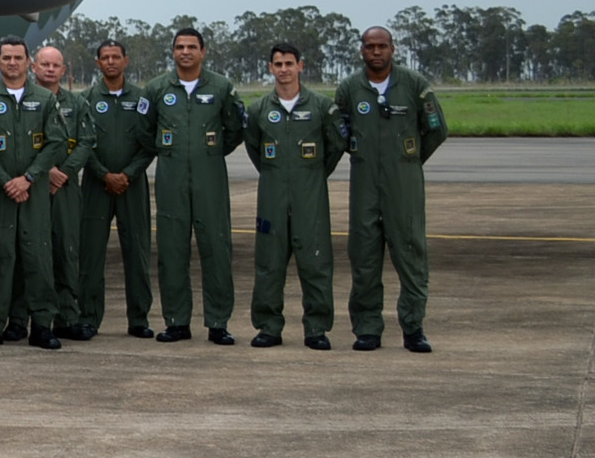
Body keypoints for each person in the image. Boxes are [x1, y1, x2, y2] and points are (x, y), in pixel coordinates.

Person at [333, 26, 447, 352]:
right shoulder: (350, 88)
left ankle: (413, 329)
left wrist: (408, 161)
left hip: (404, 186)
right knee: (364, 256)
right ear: (362, 51)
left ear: (393, 49)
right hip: (364, 184)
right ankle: (367, 329)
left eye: (382, 46)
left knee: (411, 254)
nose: (377, 52)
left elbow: (437, 129)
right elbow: (338, 130)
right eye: (370, 47)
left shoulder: (414, 85)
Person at [146, 27, 247, 344]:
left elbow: (234, 129)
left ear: (203, 52)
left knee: (216, 249)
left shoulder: (221, 87)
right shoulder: (158, 88)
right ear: (173, 52)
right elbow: (144, 130)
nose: (185, 52)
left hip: (210, 180)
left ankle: (218, 322)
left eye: (192, 47)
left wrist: (209, 154)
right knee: (172, 251)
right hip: (170, 179)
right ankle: (176, 321)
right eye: (179, 47)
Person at [247, 42, 345, 349]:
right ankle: (268, 327)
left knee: (315, 262)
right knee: (268, 264)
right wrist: (279, 174)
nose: (284, 70)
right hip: (272, 197)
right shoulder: (260, 109)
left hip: (310, 198)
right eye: (278, 64)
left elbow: (335, 147)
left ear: (301, 66)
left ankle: (316, 328)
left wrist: (311, 175)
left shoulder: (321, 107)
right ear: (270, 68)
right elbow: (255, 149)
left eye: (289, 63)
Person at [0, 37, 63, 350]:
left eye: (18, 58)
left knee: (37, 257)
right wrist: (5, 182)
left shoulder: (45, 100)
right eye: (6, 58)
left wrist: (29, 178)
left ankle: (41, 325)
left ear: (29, 63)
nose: (12, 63)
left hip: (34, 193)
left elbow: (56, 142)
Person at [80, 39, 157, 339]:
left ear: (126, 60)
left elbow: (150, 143)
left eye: (116, 57)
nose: (110, 62)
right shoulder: (85, 99)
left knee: (137, 253)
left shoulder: (143, 100)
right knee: (90, 254)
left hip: (132, 185)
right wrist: (103, 174)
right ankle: (88, 317)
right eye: (105, 57)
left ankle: (139, 319)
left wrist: (128, 173)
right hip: (95, 186)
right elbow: (82, 143)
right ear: (97, 63)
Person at [33, 46, 97, 343]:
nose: (49, 69)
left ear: (64, 70)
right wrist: (46, 171)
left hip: (66, 186)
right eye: (44, 64)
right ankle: (30, 317)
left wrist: (64, 172)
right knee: (34, 251)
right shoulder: (29, 99)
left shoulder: (77, 102)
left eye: (55, 65)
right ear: (34, 67)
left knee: (66, 250)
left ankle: (68, 315)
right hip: (34, 185)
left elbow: (86, 141)